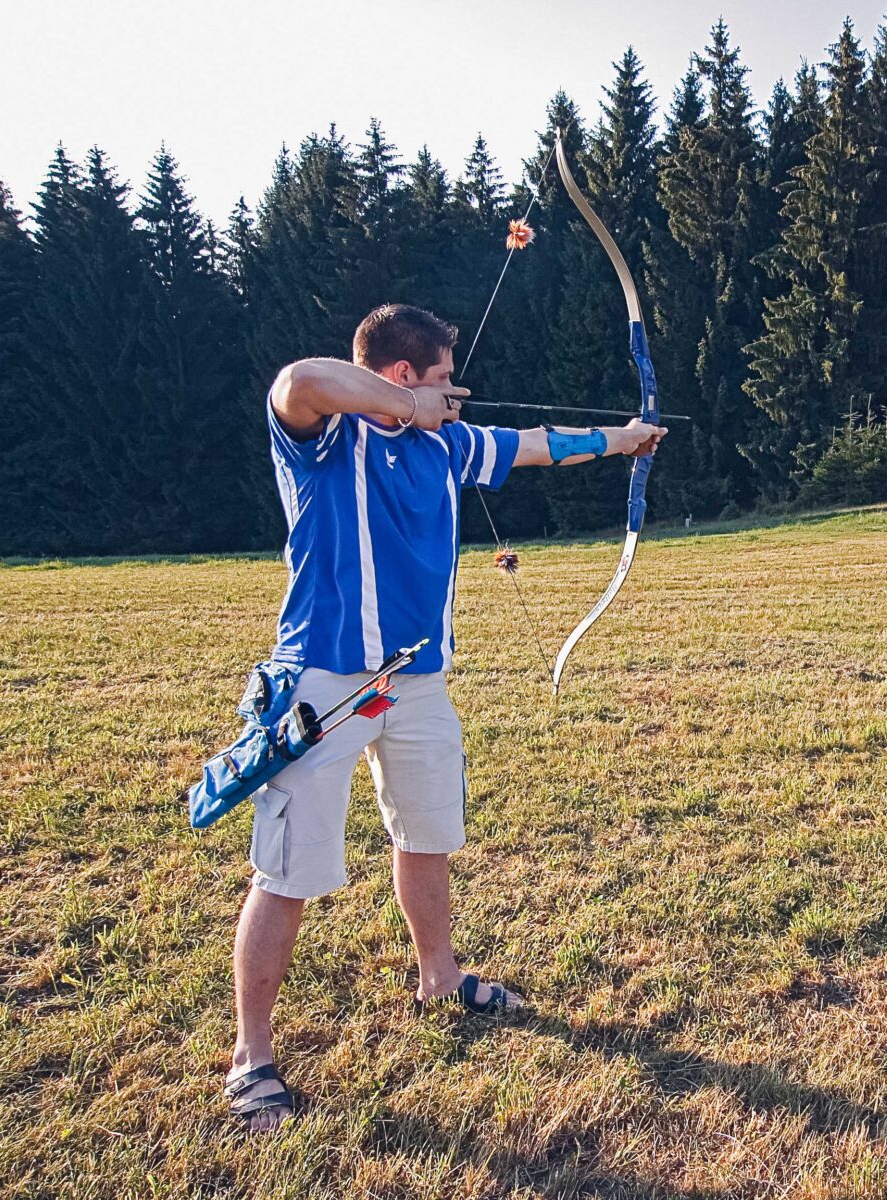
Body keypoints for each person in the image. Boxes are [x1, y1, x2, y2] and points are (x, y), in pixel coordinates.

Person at [223, 303, 664, 1132]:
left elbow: (538, 444)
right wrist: (402, 409)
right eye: (440, 381)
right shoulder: (326, 441)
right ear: (399, 378)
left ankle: (439, 976)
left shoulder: (449, 444)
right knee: (290, 870)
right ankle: (253, 1056)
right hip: (323, 680)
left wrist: (624, 439)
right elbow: (299, 381)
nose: (454, 395)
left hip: (416, 682)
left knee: (426, 836)